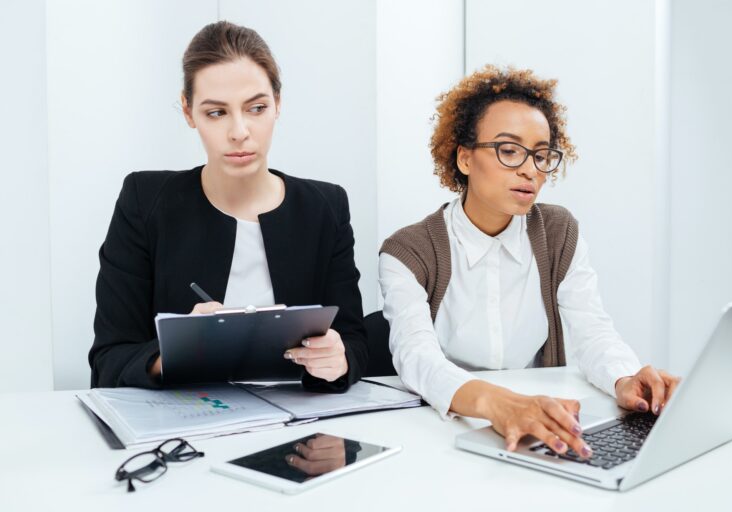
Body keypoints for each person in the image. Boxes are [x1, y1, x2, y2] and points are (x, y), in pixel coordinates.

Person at [378, 65, 679, 458]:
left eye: (541, 155)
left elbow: (592, 331)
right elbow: (417, 357)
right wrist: (500, 404)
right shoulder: (408, 251)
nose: (529, 169)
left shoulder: (557, 232)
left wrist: (625, 378)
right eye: (508, 150)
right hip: (444, 429)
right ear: (465, 159)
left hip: (542, 424)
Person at [89, 21, 367, 391]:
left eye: (256, 108)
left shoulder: (325, 207)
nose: (239, 131)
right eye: (216, 113)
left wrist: (338, 357)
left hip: (296, 427)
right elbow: (108, 360)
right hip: (184, 428)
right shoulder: (145, 200)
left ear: (277, 105)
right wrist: (173, 351)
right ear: (189, 113)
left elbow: (355, 342)